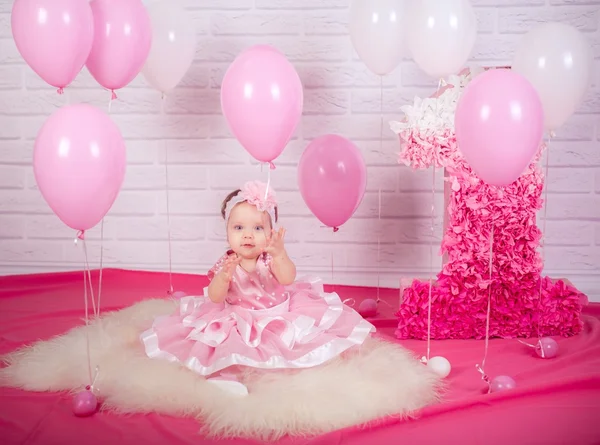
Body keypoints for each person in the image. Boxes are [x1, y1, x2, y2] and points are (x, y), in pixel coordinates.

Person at [141, 180, 376, 396]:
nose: (248, 235)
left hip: (278, 315)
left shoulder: (269, 259)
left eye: (257, 229)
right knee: (228, 346)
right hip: (239, 319)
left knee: (293, 345)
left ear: (269, 234)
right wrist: (224, 278)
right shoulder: (227, 263)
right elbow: (214, 297)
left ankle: (298, 373)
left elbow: (287, 278)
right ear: (227, 234)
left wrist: (280, 254)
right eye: (239, 228)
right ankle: (227, 378)